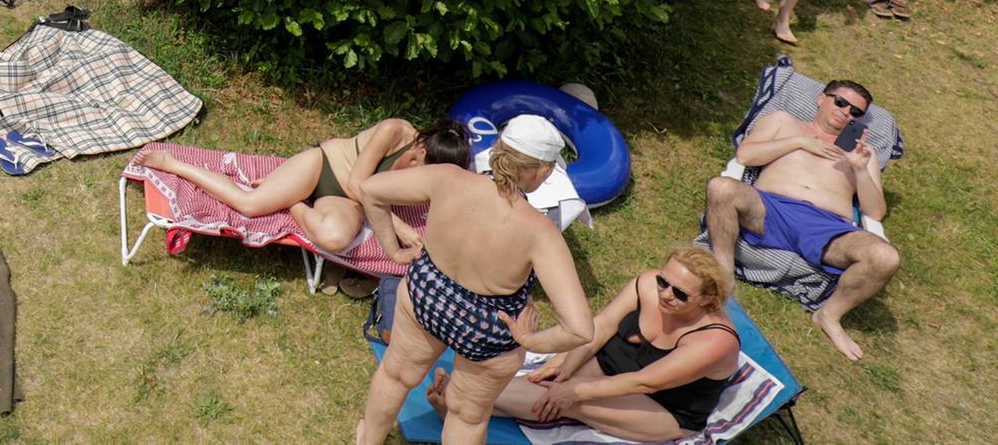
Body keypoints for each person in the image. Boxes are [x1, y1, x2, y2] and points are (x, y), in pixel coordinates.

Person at [356, 116, 595, 445]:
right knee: (467, 416)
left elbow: (370, 190)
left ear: (498, 149)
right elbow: (580, 328)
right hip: (488, 327)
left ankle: (368, 440)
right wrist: (531, 340)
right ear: (540, 170)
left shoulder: (448, 179)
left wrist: (394, 252)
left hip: (429, 292)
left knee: (396, 375)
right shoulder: (541, 233)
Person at [441, 247, 736, 442]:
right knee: (551, 385)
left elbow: (645, 383)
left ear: (708, 299)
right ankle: (464, 402)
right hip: (612, 366)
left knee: (572, 402)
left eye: (681, 294)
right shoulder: (647, 285)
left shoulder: (714, 341)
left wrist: (574, 390)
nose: (666, 294)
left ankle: (462, 401)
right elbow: (603, 325)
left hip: (664, 406)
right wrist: (564, 367)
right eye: (663, 281)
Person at [704, 78, 895, 361]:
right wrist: (801, 142)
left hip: (827, 228)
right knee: (720, 188)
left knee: (886, 257)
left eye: (856, 112)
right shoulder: (784, 121)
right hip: (770, 209)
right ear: (821, 99)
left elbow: (875, 212)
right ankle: (725, 277)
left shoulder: (861, 155)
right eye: (840, 102)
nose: (846, 113)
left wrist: (859, 169)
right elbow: (746, 154)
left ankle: (828, 315)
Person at [130, 118, 472, 254]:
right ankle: (173, 164)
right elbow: (358, 182)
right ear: (424, 151)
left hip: (350, 199)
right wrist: (396, 225)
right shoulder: (395, 131)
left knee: (336, 239)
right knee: (250, 205)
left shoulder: (431, 171)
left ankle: (294, 203)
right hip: (324, 168)